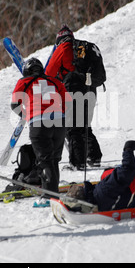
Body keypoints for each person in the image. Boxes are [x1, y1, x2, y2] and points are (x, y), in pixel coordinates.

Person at [11, 58, 69, 207]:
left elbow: (14, 104)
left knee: (45, 160)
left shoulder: (24, 81)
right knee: (53, 159)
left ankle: (49, 197)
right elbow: (67, 102)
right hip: (59, 121)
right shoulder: (54, 81)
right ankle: (53, 193)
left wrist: (26, 115)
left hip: (39, 121)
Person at [45, 24, 104, 170]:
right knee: (84, 125)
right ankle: (94, 157)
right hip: (91, 90)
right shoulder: (84, 49)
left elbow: (49, 73)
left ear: (59, 39)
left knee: (72, 128)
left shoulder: (63, 47)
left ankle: (77, 163)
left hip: (74, 90)